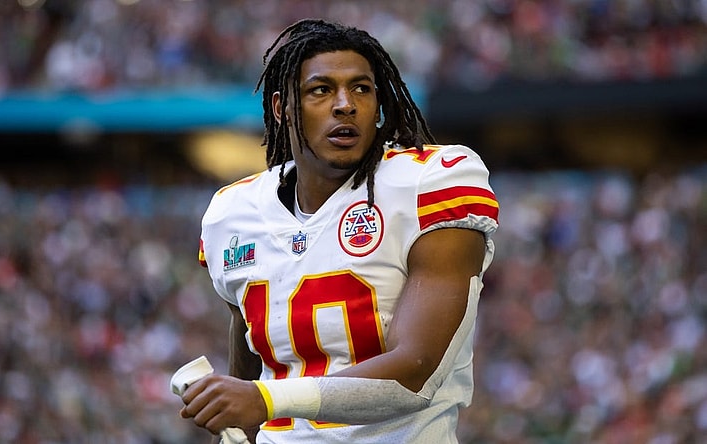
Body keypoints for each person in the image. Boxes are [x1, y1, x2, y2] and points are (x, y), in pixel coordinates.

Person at [179, 18, 499, 443]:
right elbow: (250, 372)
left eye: (362, 88)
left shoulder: (428, 183)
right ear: (282, 109)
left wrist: (266, 401)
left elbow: (414, 374)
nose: (345, 104)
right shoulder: (232, 213)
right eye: (321, 90)